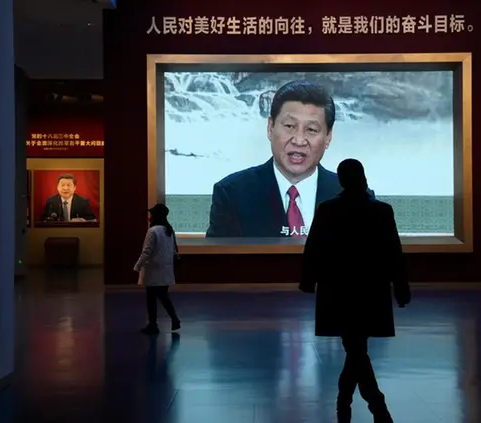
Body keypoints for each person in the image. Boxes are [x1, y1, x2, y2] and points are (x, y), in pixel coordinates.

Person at [299, 158, 410, 423]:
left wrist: (308, 281)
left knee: (355, 348)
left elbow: (313, 248)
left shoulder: (327, 210)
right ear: (363, 176)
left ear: (340, 180)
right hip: (371, 291)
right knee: (357, 348)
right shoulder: (382, 210)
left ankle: (351, 405)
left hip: (337, 291)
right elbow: (394, 252)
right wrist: (401, 287)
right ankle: (374, 408)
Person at [206, 80, 374, 238]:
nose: (299, 140)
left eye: (311, 129)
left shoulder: (359, 198)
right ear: (270, 128)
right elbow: (219, 265)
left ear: (328, 137)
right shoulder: (232, 194)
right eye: (289, 126)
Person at [134, 203, 181, 335]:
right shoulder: (169, 230)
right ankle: (174, 319)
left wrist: (137, 266)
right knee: (163, 296)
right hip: (165, 270)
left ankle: (153, 324)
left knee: (151, 299)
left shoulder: (153, 231)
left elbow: (147, 251)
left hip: (152, 270)